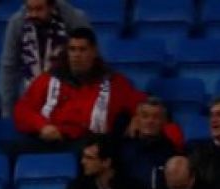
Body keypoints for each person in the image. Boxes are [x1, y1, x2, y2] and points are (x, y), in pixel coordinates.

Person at [13, 27, 146, 147]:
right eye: (72, 49)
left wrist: (137, 117)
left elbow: (142, 103)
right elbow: (23, 109)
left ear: (94, 52)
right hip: (50, 141)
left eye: (82, 50)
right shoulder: (48, 79)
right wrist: (41, 126)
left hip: (92, 147)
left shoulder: (113, 82)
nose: (76, 55)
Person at [0, 0, 91, 118]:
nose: (33, 14)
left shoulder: (74, 19)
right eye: (30, 9)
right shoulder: (17, 23)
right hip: (30, 99)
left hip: (68, 100)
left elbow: (89, 60)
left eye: (39, 9)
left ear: (52, 6)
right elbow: (9, 67)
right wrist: (8, 113)